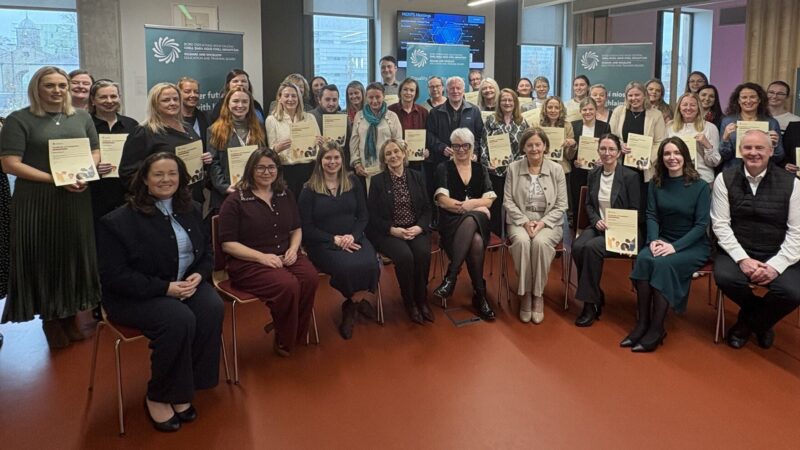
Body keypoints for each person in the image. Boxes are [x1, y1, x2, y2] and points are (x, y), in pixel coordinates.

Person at [97, 152, 223, 432]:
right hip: (134, 296)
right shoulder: (118, 222)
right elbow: (115, 276)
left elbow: (206, 252)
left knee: (212, 308)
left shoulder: (191, 209)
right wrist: (165, 288)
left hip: (183, 284)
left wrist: (199, 275)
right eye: (158, 174)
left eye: (172, 174)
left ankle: (186, 385)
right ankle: (159, 394)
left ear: (181, 178)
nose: (166, 179)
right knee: (178, 319)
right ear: (144, 178)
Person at [0, 66, 106, 348]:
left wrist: (85, 172)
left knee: (73, 255)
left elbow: (95, 151)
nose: (57, 90)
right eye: (49, 85)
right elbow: (10, 163)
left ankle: (69, 315)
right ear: (36, 88)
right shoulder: (19, 119)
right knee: (45, 257)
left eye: (62, 85)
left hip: (75, 199)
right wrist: (56, 179)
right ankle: (50, 319)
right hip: (37, 202)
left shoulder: (81, 117)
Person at [218, 148, 318, 355]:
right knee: (288, 285)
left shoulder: (285, 194)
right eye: (260, 168)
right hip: (249, 262)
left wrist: (294, 249)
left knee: (310, 277)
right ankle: (285, 337)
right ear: (251, 170)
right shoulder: (235, 201)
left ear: (278, 170)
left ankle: (292, 329)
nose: (266, 172)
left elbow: (296, 228)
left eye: (271, 167)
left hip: (285, 254)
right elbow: (228, 244)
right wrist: (262, 257)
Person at [711, 129, 800, 350]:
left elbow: (797, 231)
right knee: (725, 278)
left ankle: (748, 323)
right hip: (737, 249)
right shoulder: (724, 179)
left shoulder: (793, 183)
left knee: (793, 292)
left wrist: (775, 266)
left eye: (759, 148)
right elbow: (720, 225)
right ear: (740, 151)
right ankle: (762, 320)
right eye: (748, 147)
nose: (753, 152)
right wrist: (742, 259)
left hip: (777, 250)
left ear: (771, 151)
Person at [625, 137, 710, 352]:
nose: (672, 157)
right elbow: (651, 215)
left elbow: (701, 225)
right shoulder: (656, 183)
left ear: (685, 156)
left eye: (677, 153)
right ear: (661, 158)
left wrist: (674, 247)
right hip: (663, 238)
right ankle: (642, 323)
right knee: (644, 259)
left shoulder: (700, 186)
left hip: (692, 244)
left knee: (662, 264)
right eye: (667, 154)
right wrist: (654, 240)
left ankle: (657, 328)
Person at [298, 142, 380, 339]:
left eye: (336, 157)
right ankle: (353, 305)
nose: (332, 162)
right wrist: (333, 239)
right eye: (328, 158)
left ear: (342, 160)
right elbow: (306, 227)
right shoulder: (309, 189)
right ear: (320, 161)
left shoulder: (353, 182)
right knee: (345, 268)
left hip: (353, 236)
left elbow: (363, 216)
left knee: (371, 263)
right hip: (322, 243)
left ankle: (354, 303)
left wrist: (353, 236)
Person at [571, 134, 642, 327]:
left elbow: (635, 210)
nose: (607, 153)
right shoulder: (594, 174)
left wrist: (617, 224)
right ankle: (595, 292)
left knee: (591, 248)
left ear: (619, 153)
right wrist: (596, 221)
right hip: (599, 226)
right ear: (598, 151)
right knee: (577, 246)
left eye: (611, 149)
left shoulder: (630, 177)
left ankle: (589, 305)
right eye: (603, 149)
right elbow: (589, 204)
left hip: (623, 231)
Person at [432, 128, 496, 321]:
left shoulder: (480, 169)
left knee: (471, 220)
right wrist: (476, 207)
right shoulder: (443, 168)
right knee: (475, 241)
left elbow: (489, 200)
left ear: (472, 147)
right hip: (451, 223)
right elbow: (443, 201)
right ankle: (480, 294)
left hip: (477, 222)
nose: (461, 150)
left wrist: (472, 204)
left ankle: (451, 277)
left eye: (465, 145)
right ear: (451, 147)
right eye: (456, 146)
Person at [504, 128, 567, 323]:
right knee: (523, 243)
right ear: (523, 147)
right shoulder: (513, 168)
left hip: (548, 221)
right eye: (529, 145)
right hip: (519, 220)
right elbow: (508, 201)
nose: (534, 149)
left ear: (545, 146)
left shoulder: (556, 169)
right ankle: (526, 294)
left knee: (540, 243)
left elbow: (561, 205)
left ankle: (538, 295)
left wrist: (542, 223)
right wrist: (524, 221)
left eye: (538, 144)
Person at [367, 139, 433, 324]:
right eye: (388, 153)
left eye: (396, 151)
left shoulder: (417, 177)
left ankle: (422, 299)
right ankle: (409, 302)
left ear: (404, 154)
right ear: (384, 159)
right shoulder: (377, 181)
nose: (393, 156)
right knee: (405, 257)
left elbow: (427, 209)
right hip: (389, 232)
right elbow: (372, 216)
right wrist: (392, 230)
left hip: (415, 228)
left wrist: (419, 227)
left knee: (422, 254)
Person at [119, 82, 211, 203]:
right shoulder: (145, 132)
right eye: (166, 100)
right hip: (163, 201)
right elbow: (128, 173)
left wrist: (204, 159)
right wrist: (154, 193)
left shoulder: (187, 127)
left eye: (175, 99)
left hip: (192, 196)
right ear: (155, 104)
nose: (172, 103)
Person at [426, 76, 485, 219]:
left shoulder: (474, 111)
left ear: (464, 90)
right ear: (446, 91)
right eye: (451, 88)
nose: (455, 91)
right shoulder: (435, 112)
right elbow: (429, 135)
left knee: (466, 194)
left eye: (458, 88)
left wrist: (475, 152)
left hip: (467, 163)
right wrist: (441, 147)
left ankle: (468, 219)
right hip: (443, 162)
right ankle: (441, 221)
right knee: (444, 195)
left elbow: (480, 136)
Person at [206, 87, 267, 213]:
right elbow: (213, 162)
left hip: (255, 190)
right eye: (235, 101)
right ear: (227, 104)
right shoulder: (214, 130)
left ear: (250, 105)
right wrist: (224, 187)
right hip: (227, 193)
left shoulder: (259, 128)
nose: (240, 105)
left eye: (245, 102)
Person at [480, 88, 530, 235]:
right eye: (504, 100)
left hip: (516, 172)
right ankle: (494, 236)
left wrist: (516, 164)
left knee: (514, 205)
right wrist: (487, 163)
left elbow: (526, 147)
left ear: (515, 102)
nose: (507, 103)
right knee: (495, 206)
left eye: (510, 100)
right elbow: (483, 144)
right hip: (495, 172)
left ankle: (512, 235)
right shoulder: (491, 120)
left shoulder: (522, 122)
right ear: (499, 102)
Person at [89, 79, 139, 220]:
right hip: (94, 193)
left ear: (119, 98)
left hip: (125, 193)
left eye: (113, 96)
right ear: (93, 100)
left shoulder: (131, 124)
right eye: (103, 97)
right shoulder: (86, 125)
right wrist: (92, 167)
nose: (109, 101)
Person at [265, 81, 322, 198]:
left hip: (308, 169)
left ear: (299, 98)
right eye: (286, 96)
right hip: (285, 171)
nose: (290, 99)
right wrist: (276, 149)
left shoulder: (309, 117)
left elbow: (318, 146)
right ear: (280, 98)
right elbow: (270, 151)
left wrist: (320, 144)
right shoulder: (272, 120)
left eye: (294, 96)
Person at [608, 81, 667, 188]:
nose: (633, 98)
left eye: (637, 95)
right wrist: (619, 145)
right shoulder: (618, 111)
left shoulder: (656, 115)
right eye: (630, 95)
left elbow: (660, 142)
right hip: (621, 165)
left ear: (644, 95)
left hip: (645, 168)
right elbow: (610, 136)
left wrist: (648, 160)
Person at [719, 82, 783, 169]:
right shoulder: (728, 121)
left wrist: (775, 145)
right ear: (738, 101)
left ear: (759, 100)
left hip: (762, 170)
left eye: (752, 97)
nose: (748, 101)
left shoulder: (771, 123)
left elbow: (778, 158)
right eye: (744, 97)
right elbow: (724, 156)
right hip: (733, 170)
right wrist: (725, 139)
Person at [570, 97, 611, 221]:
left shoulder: (605, 126)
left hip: (598, 170)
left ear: (596, 110)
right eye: (584, 109)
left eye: (591, 109)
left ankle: (596, 223)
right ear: (580, 111)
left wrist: (602, 159)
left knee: (595, 199)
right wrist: (574, 160)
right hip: (578, 170)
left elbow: (608, 146)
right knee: (578, 200)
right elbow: (571, 149)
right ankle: (577, 226)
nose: (587, 112)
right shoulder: (573, 126)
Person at [666, 92, 721, 184]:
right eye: (685, 105)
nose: (688, 108)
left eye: (693, 105)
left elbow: (715, 162)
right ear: (679, 107)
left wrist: (707, 145)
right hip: (674, 178)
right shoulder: (669, 127)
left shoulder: (710, 128)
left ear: (698, 108)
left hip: (702, 179)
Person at [350, 83, 402, 178]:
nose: (374, 101)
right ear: (366, 97)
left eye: (378, 97)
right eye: (371, 97)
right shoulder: (359, 116)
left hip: (387, 167)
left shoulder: (392, 116)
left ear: (383, 96)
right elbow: (354, 142)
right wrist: (357, 163)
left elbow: (398, 142)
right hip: (364, 167)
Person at [388, 78, 428, 172]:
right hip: (396, 159)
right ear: (400, 91)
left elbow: (428, 134)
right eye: (405, 89)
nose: (408, 93)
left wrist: (427, 149)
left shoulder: (423, 112)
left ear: (416, 93)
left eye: (412, 90)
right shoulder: (390, 111)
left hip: (417, 160)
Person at [309, 84, 352, 166]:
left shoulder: (344, 118)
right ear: (319, 100)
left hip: (338, 166)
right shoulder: (309, 117)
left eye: (334, 100)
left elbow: (348, 147)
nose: (331, 103)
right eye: (327, 99)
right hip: (314, 167)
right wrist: (313, 143)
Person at [178, 77, 210, 145]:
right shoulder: (171, 119)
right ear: (178, 94)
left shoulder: (206, 118)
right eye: (187, 92)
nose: (193, 95)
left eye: (196, 92)